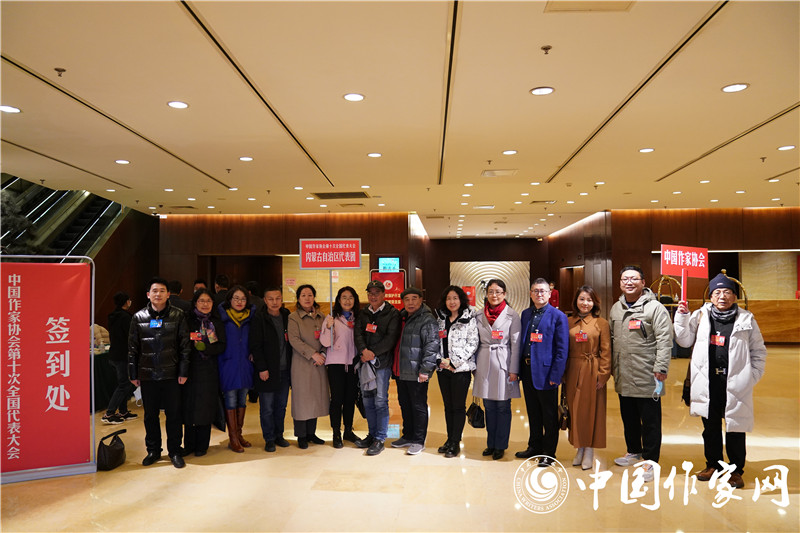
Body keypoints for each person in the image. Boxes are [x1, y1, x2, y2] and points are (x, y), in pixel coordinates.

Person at [674, 272, 767, 489]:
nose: (722, 296)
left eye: (727, 292)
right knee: (710, 427)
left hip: (735, 382)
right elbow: (684, 340)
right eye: (717, 292)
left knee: (735, 427)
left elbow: (758, 351)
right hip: (708, 381)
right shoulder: (700, 315)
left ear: (734, 296)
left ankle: (735, 470)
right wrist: (681, 317)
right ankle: (713, 465)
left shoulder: (746, 319)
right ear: (711, 297)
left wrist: (750, 377)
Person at [609, 265, 673, 482]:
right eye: (625, 279)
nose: (629, 282)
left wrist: (661, 367)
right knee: (628, 417)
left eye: (634, 279)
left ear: (643, 282)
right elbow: (611, 339)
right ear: (620, 283)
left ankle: (651, 460)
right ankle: (634, 451)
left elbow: (665, 340)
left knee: (650, 421)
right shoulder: (616, 308)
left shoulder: (655, 308)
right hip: (623, 371)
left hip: (647, 372)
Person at [128, 277, 191, 468]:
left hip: (172, 374)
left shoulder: (178, 315)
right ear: (148, 294)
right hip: (147, 374)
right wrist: (133, 374)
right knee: (150, 416)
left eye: (162, 291)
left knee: (174, 415)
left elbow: (185, 346)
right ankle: (153, 451)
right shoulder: (138, 317)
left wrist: (183, 371)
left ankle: (175, 451)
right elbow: (132, 348)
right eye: (154, 291)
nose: (158, 294)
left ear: (168, 294)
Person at [516, 278, 569, 465]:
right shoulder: (526, 314)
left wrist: (556, 375)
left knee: (549, 415)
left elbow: (562, 349)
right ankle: (534, 446)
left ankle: (549, 452)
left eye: (543, 291)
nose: (539, 294)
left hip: (547, 373)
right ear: (531, 294)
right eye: (536, 291)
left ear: (549, 294)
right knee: (533, 412)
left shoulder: (558, 316)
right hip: (527, 370)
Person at [563, 285, 611, 470]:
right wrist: (562, 373)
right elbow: (562, 348)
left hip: (592, 369)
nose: (585, 303)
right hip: (572, 369)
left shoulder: (601, 323)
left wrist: (603, 374)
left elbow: (606, 351)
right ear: (576, 301)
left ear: (595, 303)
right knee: (574, 409)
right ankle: (579, 447)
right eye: (582, 299)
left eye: (589, 300)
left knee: (592, 410)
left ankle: (589, 449)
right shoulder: (568, 321)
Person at [473, 279, 521, 460]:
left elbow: (516, 344)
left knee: (502, 406)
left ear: (504, 294)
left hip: (504, 363)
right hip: (484, 361)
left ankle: (501, 445)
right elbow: (475, 342)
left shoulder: (512, 315)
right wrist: (474, 366)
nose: (494, 295)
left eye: (498, 292)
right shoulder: (478, 314)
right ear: (486, 294)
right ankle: (490, 443)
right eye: (491, 291)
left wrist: (514, 370)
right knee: (488, 406)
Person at [353, 280, 401, 456]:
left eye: (377, 293)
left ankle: (380, 438)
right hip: (365, 363)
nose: (373, 296)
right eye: (370, 293)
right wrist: (363, 351)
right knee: (367, 400)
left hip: (381, 363)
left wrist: (372, 353)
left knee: (380, 401)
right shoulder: (363, 312)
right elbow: (358, 333)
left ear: (383, 294)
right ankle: (371, 435)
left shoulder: (392, 313)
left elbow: (390, 338)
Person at [391, 287, 439, 455]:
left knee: (418, 406)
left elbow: (432, 346)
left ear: (420, 300)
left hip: (417, 371)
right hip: (401, 370)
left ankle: (419, 440)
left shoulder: (427, 319)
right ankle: (408, 436)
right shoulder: (402, 317)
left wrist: (425, 369)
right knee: (405, 404)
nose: (410, 302)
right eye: (407, 299)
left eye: (414, 298)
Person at [434, 285, 478, 458]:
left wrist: (454, 362)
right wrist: (440, 360)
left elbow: (473, 343)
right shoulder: (441, 318)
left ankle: (455, 442)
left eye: (455, 298)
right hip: (443, 369)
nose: (452, 302)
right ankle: (449, 439)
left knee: (458, 406)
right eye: (448, 299)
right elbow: (435, 341)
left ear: (461, 300)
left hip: (460, 370)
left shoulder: (469, 318)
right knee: (448, 406)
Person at [182, 288, 225, 457]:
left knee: (206, 409)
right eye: (201, 301)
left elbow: (222, 346)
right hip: (190, 369)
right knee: (189, 407)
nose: (205, 304)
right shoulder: (187, 320)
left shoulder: (216, 322)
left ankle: (202, 445)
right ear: (195, 303)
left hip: (209, 370)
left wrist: (206, 348)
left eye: (208, 301)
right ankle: (189, 444)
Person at [250, 286, 292, 452]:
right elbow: (255, 345)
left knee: (281, 406)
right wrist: (262, 368)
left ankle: (279, 435)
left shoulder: (287, 316)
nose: (275, 302)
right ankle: (269, 438)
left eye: (278, 298)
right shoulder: (259, 318)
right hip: (267, 370)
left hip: (285, 370)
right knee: (267, 408)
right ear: (265, 300)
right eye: (271, 299)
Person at [287, 284, 329, 448]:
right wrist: (313, 354)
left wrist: (323, 354)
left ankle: (312, 433)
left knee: (315, 398)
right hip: (302, 364)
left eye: (310, 295)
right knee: (302, 400)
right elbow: (294, 340)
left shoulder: (321, 316)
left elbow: (327, 337)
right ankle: (301, 435)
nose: (307, 298)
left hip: (319, 364)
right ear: (298, 299)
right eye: (303, 295)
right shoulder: (293, 317)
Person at [320, 286, 362, 448]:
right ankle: (336, 432)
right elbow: (325, 343)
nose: (347, 301)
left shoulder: (358, 318)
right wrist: (328, 327)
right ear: (338, 300)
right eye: (344, 297)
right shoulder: (331, 318)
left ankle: (348, 431)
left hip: (353, 364)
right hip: (336, 364)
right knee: (337, 399)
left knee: (350, 399)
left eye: (350, 297)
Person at [217, 285, 256, 452]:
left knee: (242, 400)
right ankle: (232, 437)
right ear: (230, 300)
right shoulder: (222, 317)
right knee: (231, 399)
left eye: (243, 299)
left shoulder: (251, 317)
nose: (239, 302)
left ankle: (239, 434)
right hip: (228, 364)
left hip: (246, 364)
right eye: (236, 298)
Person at [103, 291, 136, 424]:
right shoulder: (125, 317)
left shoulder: (112, 316)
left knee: (122, 383)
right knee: (124, 384)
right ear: (126, 302)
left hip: (113, 354)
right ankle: (109, 413)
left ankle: (123, 411)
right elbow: (130, 336)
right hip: (122, 355)